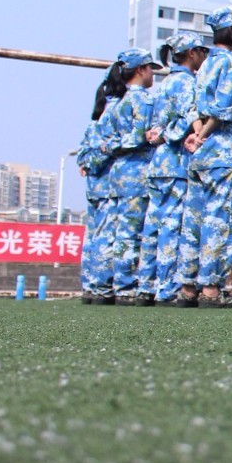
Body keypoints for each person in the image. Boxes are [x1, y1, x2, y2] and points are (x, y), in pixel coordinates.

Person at [181, 7, 232, 306]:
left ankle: (188, 286)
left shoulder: (205, 65)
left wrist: (197, 134)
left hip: (202, 151)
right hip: (222, 145)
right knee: (220, 217)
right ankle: (211, 288)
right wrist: (206, 132)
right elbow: (222, 108)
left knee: (194, 217)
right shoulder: (231, 64)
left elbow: (193, 106)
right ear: (231, 31)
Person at [139, 31, 207, 305]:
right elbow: (189, 117)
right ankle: (167, 289)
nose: (204, 56)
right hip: (176, 163)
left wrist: (160, 135)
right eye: (201, 51)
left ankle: (146, 285)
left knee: (153, 225)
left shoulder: (164, 84)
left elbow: (153, 126)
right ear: (191, 53)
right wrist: (173, 134)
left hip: (158, 163)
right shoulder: (186, 82)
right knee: (172, 226)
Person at [93, 47, 161, 304]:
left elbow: (104, 141)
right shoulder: (141, 100)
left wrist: (114, 145)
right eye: (150, 69)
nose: (152, 74)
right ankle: (126, 285)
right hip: (137, 171)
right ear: (141, 70)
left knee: (116, 230)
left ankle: (107, 283)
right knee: (133, 232)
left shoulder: (116, 104)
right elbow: (143, 135)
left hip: (117, 172)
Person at [77, 82, 116, 304]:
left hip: (95, 187)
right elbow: (95, 154)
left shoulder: (92, 126)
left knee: (93, 237)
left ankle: (90, 285)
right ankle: (101, 285)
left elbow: (82, 157)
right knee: (104, 237)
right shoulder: (105, 125)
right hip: (107, 185)